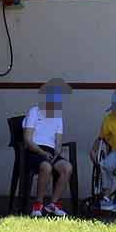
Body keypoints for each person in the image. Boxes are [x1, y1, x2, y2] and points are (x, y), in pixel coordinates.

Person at [23, 78, 73, 218]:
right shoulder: (34, 111)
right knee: (46, 166)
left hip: (50, 153)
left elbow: (58, 143)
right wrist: (41, 152)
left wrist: (56, 153)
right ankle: (38, 204)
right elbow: (27, 139)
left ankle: (53, 203)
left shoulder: (58, 117)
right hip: (34, 150)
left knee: (67, 167)